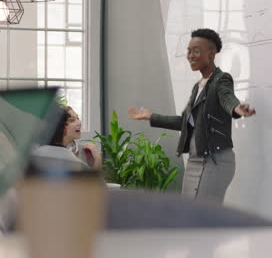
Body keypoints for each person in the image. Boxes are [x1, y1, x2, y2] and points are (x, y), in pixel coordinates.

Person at [128, 28, 256, 203]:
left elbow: (227, 98)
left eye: (196, 50)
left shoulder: (221, 79)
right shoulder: (198, 87)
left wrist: (237, 108)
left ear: (211, 53)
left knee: (205, 219)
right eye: (188, 51)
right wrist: (151, 116)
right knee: (190, 216)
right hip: (195, 160)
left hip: (214, 160)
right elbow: (184, 122)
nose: (190, 55)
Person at [33, 106, 102, 171]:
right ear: (60, 126)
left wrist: (97, 159)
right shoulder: (38, 153)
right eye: (72, 120)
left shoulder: (86, 152)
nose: (79, 123)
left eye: (78, 118)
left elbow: (91, 181)